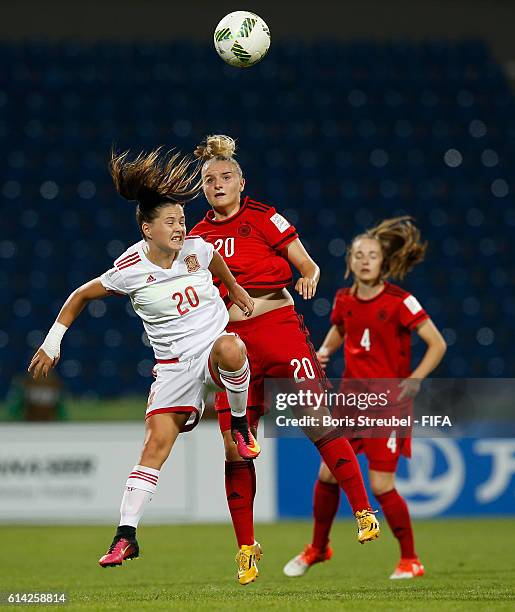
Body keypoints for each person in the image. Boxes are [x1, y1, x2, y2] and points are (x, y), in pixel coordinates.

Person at [28, 146, 259, 569]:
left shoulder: (198, 248)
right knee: (154, 447)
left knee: (232, 346)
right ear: (147, 229)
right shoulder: (129, 267)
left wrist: (237, 290)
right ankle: (125, 536)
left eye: (182, 220)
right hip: (173, 367)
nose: (180, 227)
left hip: (210, 349)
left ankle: (241, 426)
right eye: (170, 222)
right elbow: (80, 295)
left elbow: (216, 260)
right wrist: (52, 342)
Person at [191, 135, 380, 586]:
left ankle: (362, 509)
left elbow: (307, 264)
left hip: (278, 329)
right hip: (230, 342)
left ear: (241, 181)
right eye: (209, 180)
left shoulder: (264, 218)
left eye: (225, 176)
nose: (217, 185)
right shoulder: (196, 237)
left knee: (317, 419)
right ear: (203, 189)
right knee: (236, 445)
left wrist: (309, 277)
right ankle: (245, 549)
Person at [283, 216, 447, 580]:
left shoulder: (401, 301)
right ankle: (318, 548)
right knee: (327, 474)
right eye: (358, 254)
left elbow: (437, 343)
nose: (365, 260)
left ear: (383, 261)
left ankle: (410, 559)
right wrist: (323, 351)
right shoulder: (344, 299)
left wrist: (416, 379)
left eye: (372, 254)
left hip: (388, 404)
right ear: (350, 262)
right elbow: (341, 328)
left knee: (380, 485)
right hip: (350, 402)